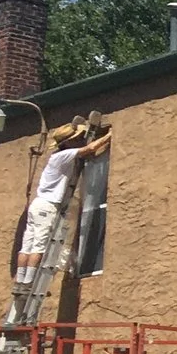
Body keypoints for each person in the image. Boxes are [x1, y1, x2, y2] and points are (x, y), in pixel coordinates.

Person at [15, 121, 111, 286]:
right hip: (48, 206)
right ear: (67, 142)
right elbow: (88, 149)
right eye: (77, 138)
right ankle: (29, 282)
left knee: (27, 245)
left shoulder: (58, 157)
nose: (80, 140)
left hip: (38, 205)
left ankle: (20, 281)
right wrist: (109, 136)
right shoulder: (63, 155)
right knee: (39, 245)